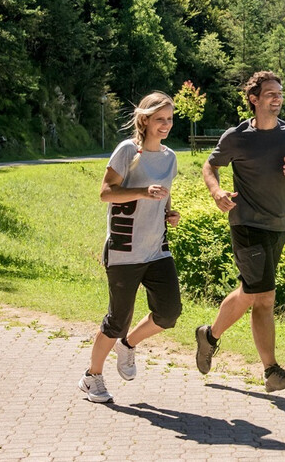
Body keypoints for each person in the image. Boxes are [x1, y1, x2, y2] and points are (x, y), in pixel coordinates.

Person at [194, 71, 285, 392]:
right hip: (246, 223)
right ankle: (271, 371)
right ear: (254, 99)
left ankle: (209, 336)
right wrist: (216, 191)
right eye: (271, 94)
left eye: (280, 94)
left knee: (254, 295)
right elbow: (210, 165)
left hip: (279, 225)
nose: (277, 99)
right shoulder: (237, 137)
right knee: (265, 295)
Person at [79, 92, 182, 403]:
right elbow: (106, 193)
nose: (166, 125)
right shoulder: (128, 150)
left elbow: (163, 195)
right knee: (117, 320)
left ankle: (128, 345)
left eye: (170, 119)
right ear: (145, 120)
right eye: (160, 119)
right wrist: (142, 192)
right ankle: (92, 377)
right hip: (125, 250)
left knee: (169, 312)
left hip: (157, 249)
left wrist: (169, 212)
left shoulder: (170, 157)